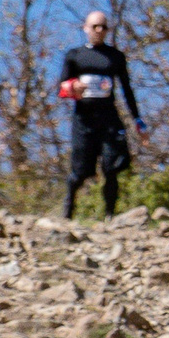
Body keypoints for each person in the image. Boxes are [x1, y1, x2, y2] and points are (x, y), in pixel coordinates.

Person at [55, 12, 144, 221]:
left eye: (103, 27)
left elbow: (127, 90)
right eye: (95, 26)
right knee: (80, 171)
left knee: (111, 167)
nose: (99, 30)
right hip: (83, 119)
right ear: (85, 28)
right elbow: (61, 87)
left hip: (109, 119)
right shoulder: (75, 55)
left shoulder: (115, 57)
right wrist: (73, 87)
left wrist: (137, 119)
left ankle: (110, 216)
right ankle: (68, 212)